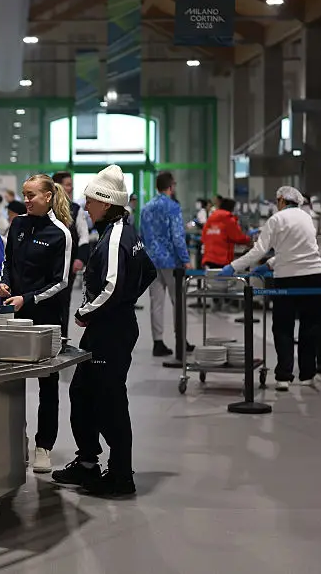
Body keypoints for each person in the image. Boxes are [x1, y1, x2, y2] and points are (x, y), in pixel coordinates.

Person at [52, 165, 156, 497]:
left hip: (110, 330)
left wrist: (85, 312)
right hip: (108, 327)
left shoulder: (115, 237)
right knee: (82, 393)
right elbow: (148, 272)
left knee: (109, 401)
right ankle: (87, 464)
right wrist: (124, 301)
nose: (86, 204)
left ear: (106, 203)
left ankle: (121, 475)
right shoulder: (126, 231)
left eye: (90, 200)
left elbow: (111, 287)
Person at [0, 173, 72, 474]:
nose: (26, 200)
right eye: (25, 195)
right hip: (14, 314)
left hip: (44, 317)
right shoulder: (17, 225)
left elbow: (61, 282)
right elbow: (7, 261)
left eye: (32, 195)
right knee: (12, 381)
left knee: (47, 383)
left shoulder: (60, 233)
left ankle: (44, 446)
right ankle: (19, 439)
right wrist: (3, 283)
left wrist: (26, 299)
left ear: (49, 196)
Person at [222, 186, 321, 390]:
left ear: (280, 200)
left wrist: (233, 266)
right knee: (310, 325)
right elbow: (298, 250)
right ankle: (308, 374)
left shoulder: (276, 219)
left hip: (288, 278)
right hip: (314, 275)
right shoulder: (306, 218)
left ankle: (284, 376)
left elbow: (258, 250)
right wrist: (269, 265)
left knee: (283, 326)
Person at [140, 171, 194, 357]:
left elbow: (143, 235)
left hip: (152, 261)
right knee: (178, 301)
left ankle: (158, 342)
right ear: (171, 186)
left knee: (156, 303)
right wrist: (186, 260)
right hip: (172, 261)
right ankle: (181, 340)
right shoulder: (173, 207)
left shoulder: (146, 208)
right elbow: (177, 236)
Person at [53, 172, 92, 332]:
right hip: (46, 266)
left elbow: (84, 237)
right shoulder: (46, 209)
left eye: (71, 184)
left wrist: (80, 259)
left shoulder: (76, 210)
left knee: (63, 301)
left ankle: (61, 339)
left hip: (68, 267)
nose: (71, 187)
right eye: (68, 184)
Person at [201, 198, 253, 270]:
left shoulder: (211, 218)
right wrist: (249, 241)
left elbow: (203, 237)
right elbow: (238, 237)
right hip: (222, 258)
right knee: (222, 280)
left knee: (211, 279)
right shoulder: (228, 219)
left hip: (208, 257)